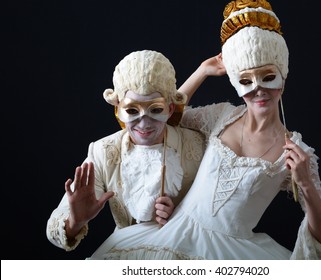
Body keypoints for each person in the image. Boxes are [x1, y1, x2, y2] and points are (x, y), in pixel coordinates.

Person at [88, 0, 321, 259]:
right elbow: (167, 115)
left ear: (283, 76)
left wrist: (306, 185)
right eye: (245, 80)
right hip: (172, 236)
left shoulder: (295, 151)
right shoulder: (221, 117)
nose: (258, 89)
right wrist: (202, 71)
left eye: (268, 77)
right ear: (235, 82)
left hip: (232, 254)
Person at [46, 50, 206, 252]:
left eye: (155, 110)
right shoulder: (103, 151)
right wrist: (75, 222)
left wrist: (182, 216)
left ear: (170, 109)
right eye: (132, 110)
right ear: (118, 109)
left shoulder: (198, 145)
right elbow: (53, 231)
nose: (144, 123)